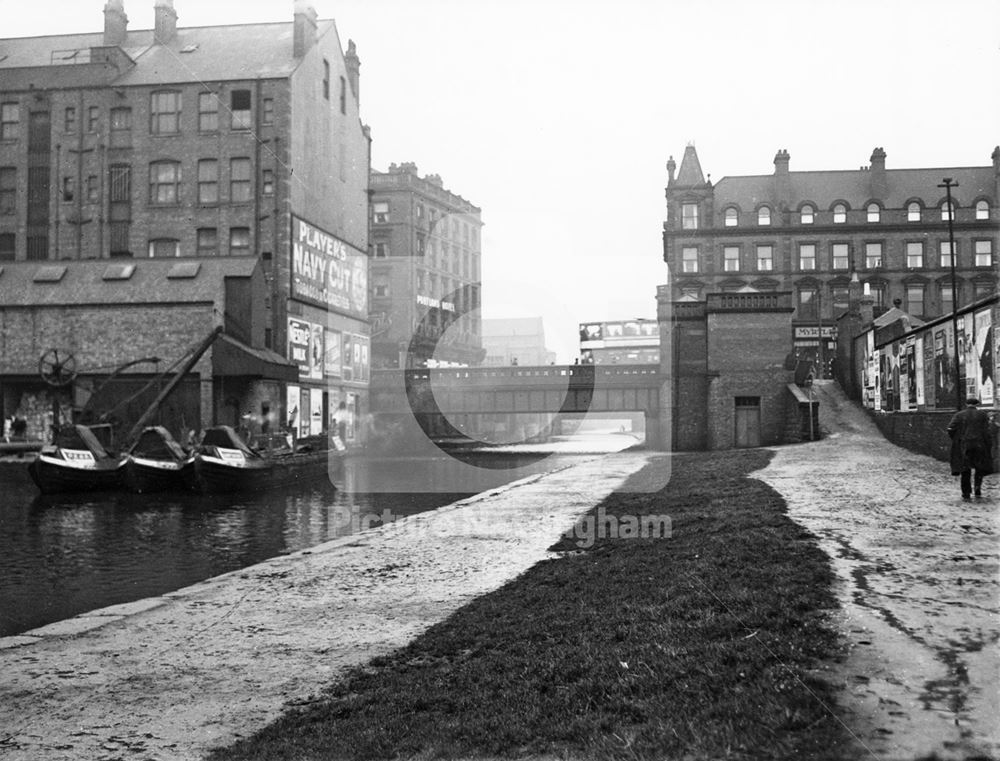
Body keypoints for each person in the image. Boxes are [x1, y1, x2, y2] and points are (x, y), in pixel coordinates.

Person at [947, 396, 994, 499]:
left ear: (966, 404)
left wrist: (956, 439)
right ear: (977, 405)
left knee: (965, 468)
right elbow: (987, 431)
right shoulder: (983, 415)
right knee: (979, 467)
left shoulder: (959, 415)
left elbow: (950, 428)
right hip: (979, 444)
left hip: (965, 445)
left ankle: (966, 492)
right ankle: (977, 488)